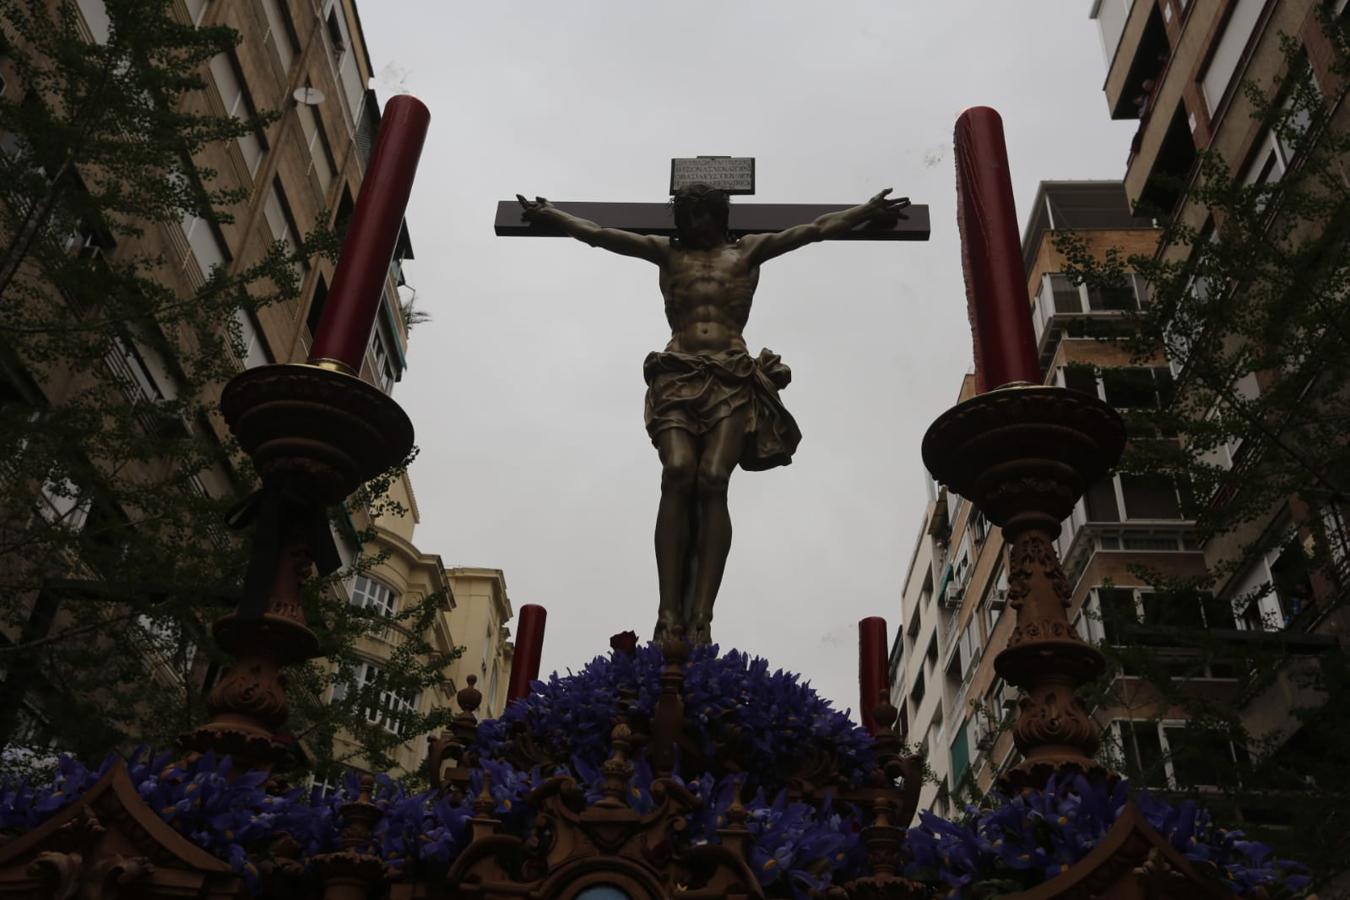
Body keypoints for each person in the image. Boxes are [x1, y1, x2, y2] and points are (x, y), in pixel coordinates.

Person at [516, 184, 908, 643]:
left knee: (714, 479)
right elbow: (600, 234)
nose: (691, 222)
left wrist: (866, 210)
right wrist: (553, 215)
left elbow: (816, 230)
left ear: (718, 216)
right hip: (678, 374)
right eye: (685, 213)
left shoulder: (750, 251)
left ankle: (701, 614)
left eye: (699, 213)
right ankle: (668, 611)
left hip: (731, 375)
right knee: (678, 471)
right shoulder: (666, 254)